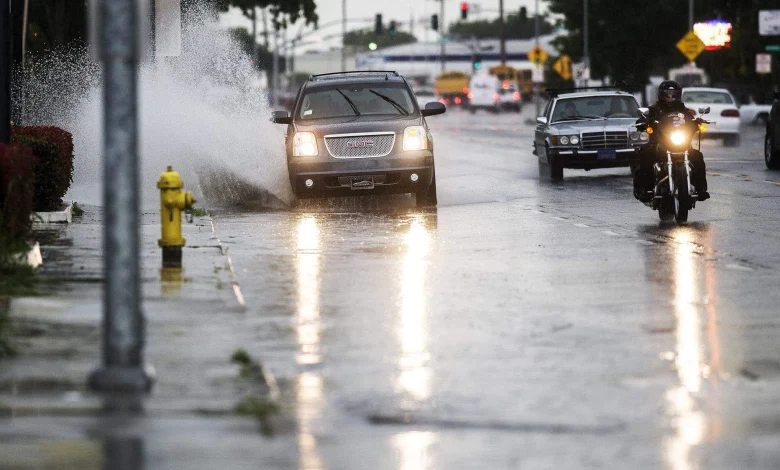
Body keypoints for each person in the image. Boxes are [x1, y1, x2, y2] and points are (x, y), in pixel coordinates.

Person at [633, 80, 709, 203]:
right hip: (660, 143)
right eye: (667, 93)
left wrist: (697, 122)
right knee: (646, 154)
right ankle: (646, 189)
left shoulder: (683, 109)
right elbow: (641, 120)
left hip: (681, 143)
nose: (670, 96)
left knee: (698, 156)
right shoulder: (654, 109)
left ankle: (701, 189)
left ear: (678, 95)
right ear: (661, 94)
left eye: (673, 94)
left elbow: (690, 119)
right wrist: (644, 123)